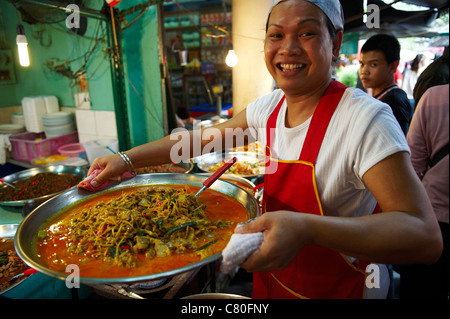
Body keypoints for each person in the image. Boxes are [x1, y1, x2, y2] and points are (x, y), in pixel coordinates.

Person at [86, 0, 443, 299]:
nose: (287, 49)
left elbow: (424, 236)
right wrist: (125, 159)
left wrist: (307, 229)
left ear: (335, 43)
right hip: (272, 282)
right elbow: (195, 141)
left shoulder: (366, 120)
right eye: (276, 36)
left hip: (336, 288)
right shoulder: (269, 108)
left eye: (306, 33)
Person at [395, 84, 449, 299]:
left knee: (422, 289)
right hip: (434, 216)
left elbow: (413, 166)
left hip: (435, 216)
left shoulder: (435, 97)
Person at [359, 34, 412, 135]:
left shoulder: (394, 101)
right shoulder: (383, 96)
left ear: (393, 66)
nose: (364, 71)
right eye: (362, 64)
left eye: (373, 64)